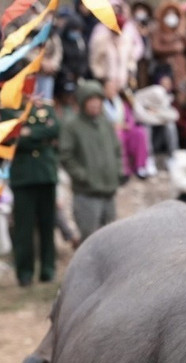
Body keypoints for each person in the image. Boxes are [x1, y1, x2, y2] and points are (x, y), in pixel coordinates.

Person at [2, 100, 60, 286]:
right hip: (23, 177)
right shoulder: (9, 110)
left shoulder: (45, 107)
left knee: (47, 225)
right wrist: (41, 136)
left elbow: (55, 130)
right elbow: (13, 137)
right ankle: (24, 272)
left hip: (46, 174)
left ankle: (48, 269)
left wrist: (29, 132)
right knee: (24, 228)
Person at [59, 80, 122, 243]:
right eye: (90, 100)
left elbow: (116, 150)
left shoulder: (105, 123)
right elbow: (65, 155)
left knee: (112, 240)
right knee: (90, 241)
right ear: (82, 102)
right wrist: (82, 175)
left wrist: (117, 170)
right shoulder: (72, 125)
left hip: (109, 191)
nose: (95, 104)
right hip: (86, 194)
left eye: (98, 100)